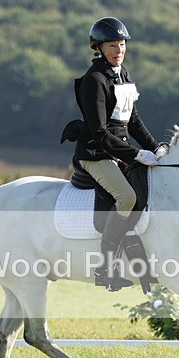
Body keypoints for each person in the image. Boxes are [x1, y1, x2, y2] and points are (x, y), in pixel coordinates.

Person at [69, 16, 164, 291]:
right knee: (127, 197)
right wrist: (135, 154)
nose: (119, 50)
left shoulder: (123, 75)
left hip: (120, 152)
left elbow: (132, 121)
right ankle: (105, 267)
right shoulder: (94, 80)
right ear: (98, 48)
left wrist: (155, 147)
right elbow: (99, 131)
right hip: (96, 153)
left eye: (122, 44)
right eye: (112, 45)